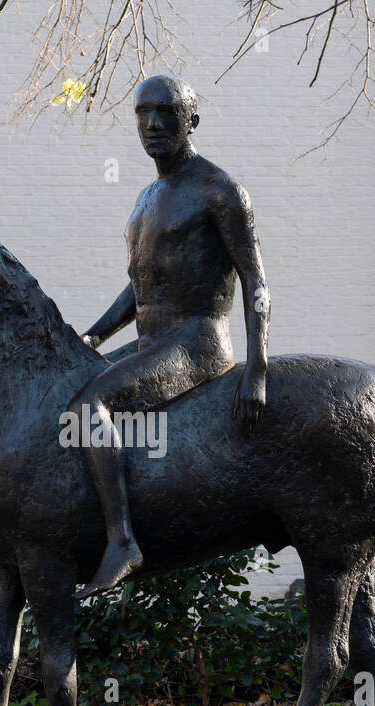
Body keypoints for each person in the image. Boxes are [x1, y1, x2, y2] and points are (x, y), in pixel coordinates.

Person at [70, 74, 271, 599]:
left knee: (92, 403)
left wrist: (257, 367)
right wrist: (92, 336)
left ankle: (121, 543)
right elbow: (140, 285)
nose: (153, 124)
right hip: (150, 344)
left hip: (195, 344)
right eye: (143, 114)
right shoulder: (145, 198)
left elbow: (255, 278)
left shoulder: (220, 191)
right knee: (69, 383)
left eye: (166, 113)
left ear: (192, 122)